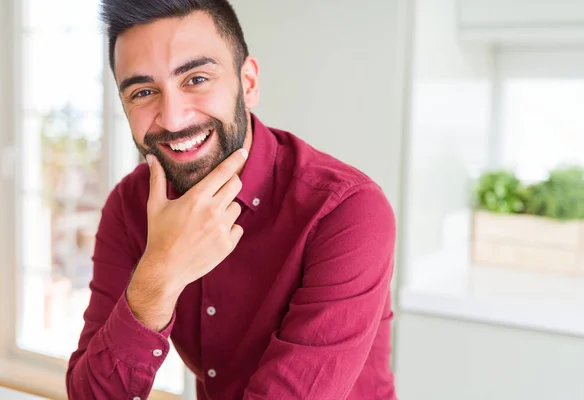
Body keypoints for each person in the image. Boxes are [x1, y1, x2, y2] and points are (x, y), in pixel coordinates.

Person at [66, 1, 397, 399]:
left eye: (196, 79)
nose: (171, 118)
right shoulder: (129, 206)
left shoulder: (347, 211)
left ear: (249, 83)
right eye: (144, 91)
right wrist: (158, 275)